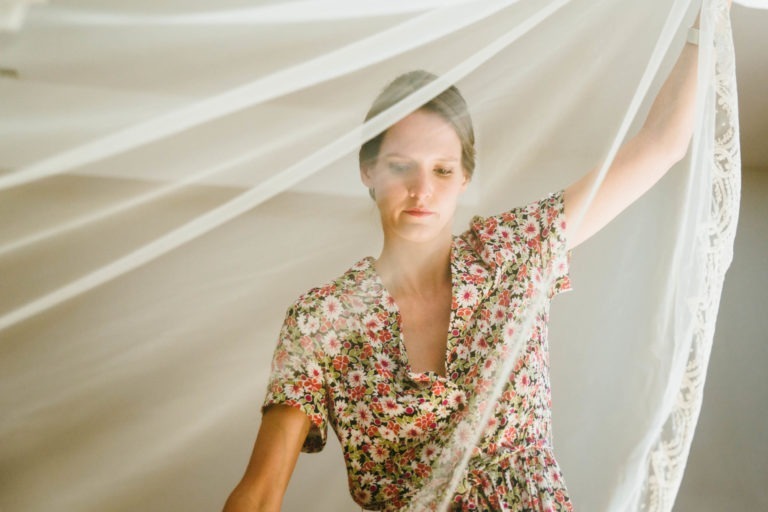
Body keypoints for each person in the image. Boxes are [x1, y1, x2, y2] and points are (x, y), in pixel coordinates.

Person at [223, 9, 711, 511]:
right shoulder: (322, 320)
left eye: (441, 169)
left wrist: (705, 19)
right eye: (400, 167)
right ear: (368, 171)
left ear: (464, 177)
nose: (421, 190)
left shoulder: (512, 252)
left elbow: (661, 144)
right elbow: (260, 493)